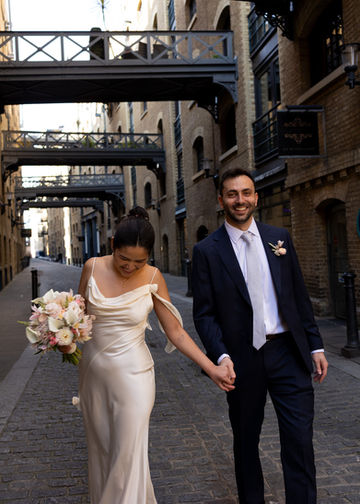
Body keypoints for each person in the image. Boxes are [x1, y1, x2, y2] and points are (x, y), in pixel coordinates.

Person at [76, 207, 234, 504]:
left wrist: (211, 367)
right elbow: (78, 318)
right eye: (124, 259)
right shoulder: (92, 267)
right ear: (112, 246)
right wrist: (58, 331)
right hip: (93, 375)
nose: (131, 267)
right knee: (103, 451)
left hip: (135, 377)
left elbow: (175, 332)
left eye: (140, 261)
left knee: (128, 456)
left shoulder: (153, 277)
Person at [191, 168, 328, 504]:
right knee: (246, 441)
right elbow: (204, 314)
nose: (241, 200)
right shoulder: (207, 251)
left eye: (247, 193)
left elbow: (297, 296)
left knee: (299, 440)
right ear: (221, 199)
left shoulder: (278, 237)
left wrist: (316, 345)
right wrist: (220, 357)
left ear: (256, 197)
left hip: (288, 353)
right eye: (233, 194)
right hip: (241, 359)